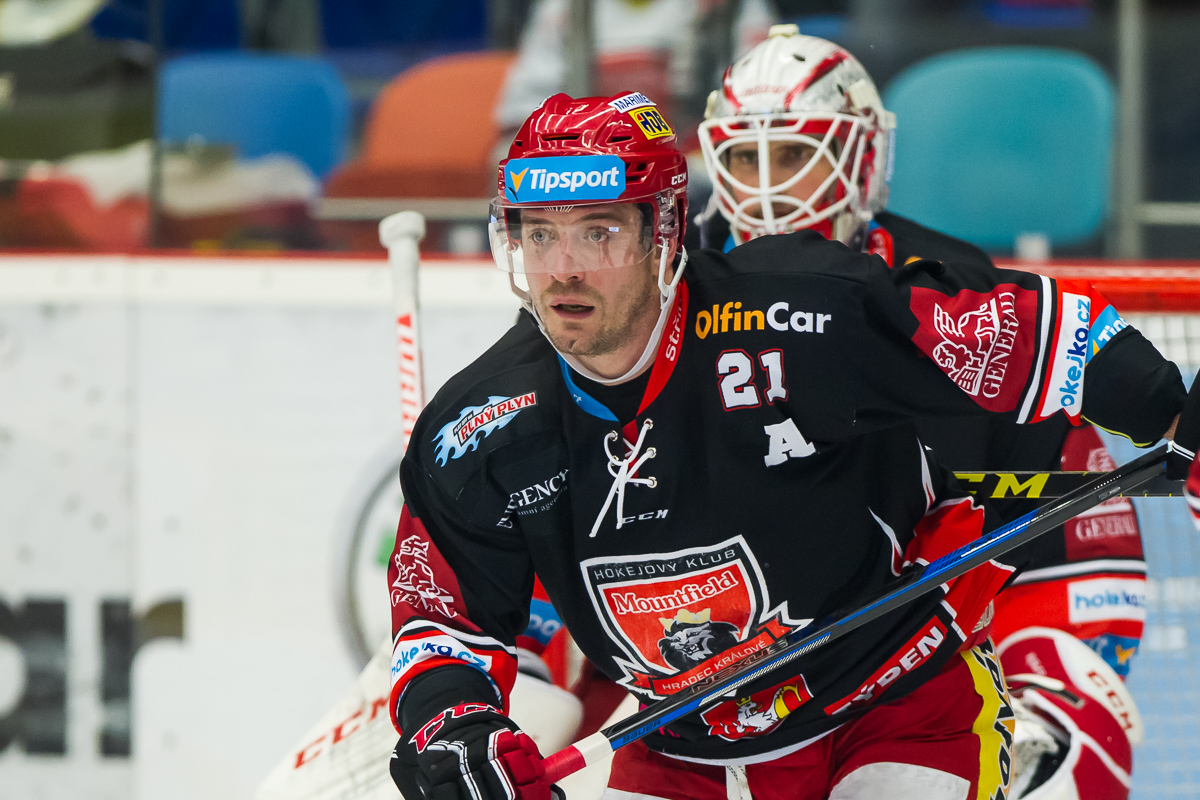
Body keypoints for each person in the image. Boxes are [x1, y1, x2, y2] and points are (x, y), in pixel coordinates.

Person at [386, 90, 1184, 800]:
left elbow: (1052, 334)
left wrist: (1169, 411)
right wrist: (455, 731)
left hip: (894, 707)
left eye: (598, 232)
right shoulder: (480, 428)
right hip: (679, 748)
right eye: (539, 234)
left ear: (664, 234)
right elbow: (439, 624)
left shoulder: (800, 314)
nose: (564, 271)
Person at [692, 25, 1153, 798]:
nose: (768, 188)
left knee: (1080, 747)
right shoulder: (655, 305)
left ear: (864, 158)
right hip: (712, 688)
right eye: (745, 159)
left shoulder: (959, 295)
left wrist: (1042, 712)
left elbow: (1078, 554)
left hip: (927, 671)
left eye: (796, 154)